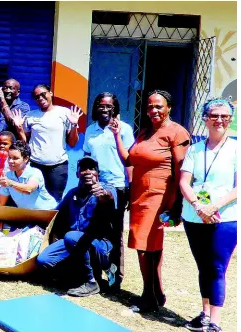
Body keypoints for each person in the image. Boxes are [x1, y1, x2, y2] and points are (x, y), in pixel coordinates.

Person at [126, 90, 190, 312]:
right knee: (148, 246)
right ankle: (156, 292)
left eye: (158, 106)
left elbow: (182, 170)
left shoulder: (177, 132)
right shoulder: (144, 132)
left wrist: (177, 204)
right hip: (138, 195)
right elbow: (130, 159)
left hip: (159, 195)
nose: (153, 110)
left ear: (169, 108)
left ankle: (148, 295)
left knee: (144, 245)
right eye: (150, 106)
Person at [178, 98, 237, 332]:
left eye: (225, 116)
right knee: (203, 266)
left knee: (217, 268)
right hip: (195, 217)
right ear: (205, 119)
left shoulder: (236, 148)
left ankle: (215, 322)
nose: (220, 120)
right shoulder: (195, 149)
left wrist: (214, 207)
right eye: (214, 116)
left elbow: (237, 187)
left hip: (226, 218)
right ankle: (204, 314)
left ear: (230, 120)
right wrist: (199, 206)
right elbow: (185, 181)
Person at [36, 157, 117, 297]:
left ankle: (91, 282)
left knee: (71, 236)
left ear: (97, 173)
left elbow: (109, 199)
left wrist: (103, 194)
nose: (87, 172)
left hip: (98, 245)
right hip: (74, 242)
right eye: (83, 169)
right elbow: (56, 215)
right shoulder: (72, 193)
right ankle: (72, 277)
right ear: (77, 173)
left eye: (91, 169)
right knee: (44, 260)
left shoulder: (106, 189)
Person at [83, 92, 134, 291]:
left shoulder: (125, 130)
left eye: (109, 106)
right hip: (95, 187)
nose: (105, 109)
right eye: (101, 106)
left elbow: (130, 161)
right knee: (93, 229)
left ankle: (115, 278)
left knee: (114, 232)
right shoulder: (90, 131)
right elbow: (88, 158)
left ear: (115, 108)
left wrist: (130, 188)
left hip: (117, 187)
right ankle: (95, 274)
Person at [14, 84, 83, 201]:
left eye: (43, 94)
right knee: (32, 198)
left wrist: (74, 124)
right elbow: (24, 143)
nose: (40, 98)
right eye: (37, 97)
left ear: (50, 93)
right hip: (35, 164)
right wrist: (19, 128)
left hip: (58, 166)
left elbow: (72, 143)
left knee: (54, 201)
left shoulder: (65, 113)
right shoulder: (31, 116)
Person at [0, 141, 57, 210]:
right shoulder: (8, 176)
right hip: (29, 217)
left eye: (15, 158)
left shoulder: (35, 172)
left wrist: (10, 183)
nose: (10, 161)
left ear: (26, 159)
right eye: (9, 157)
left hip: (49, 213)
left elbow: (29, 189)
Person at [0, 78, 31, 145]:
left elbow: (13, 122)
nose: (7, 91)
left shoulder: (23, 107)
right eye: (5, 88)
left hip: (13, 146)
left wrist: (2, 100)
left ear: (18, 92)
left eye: (11, 88)